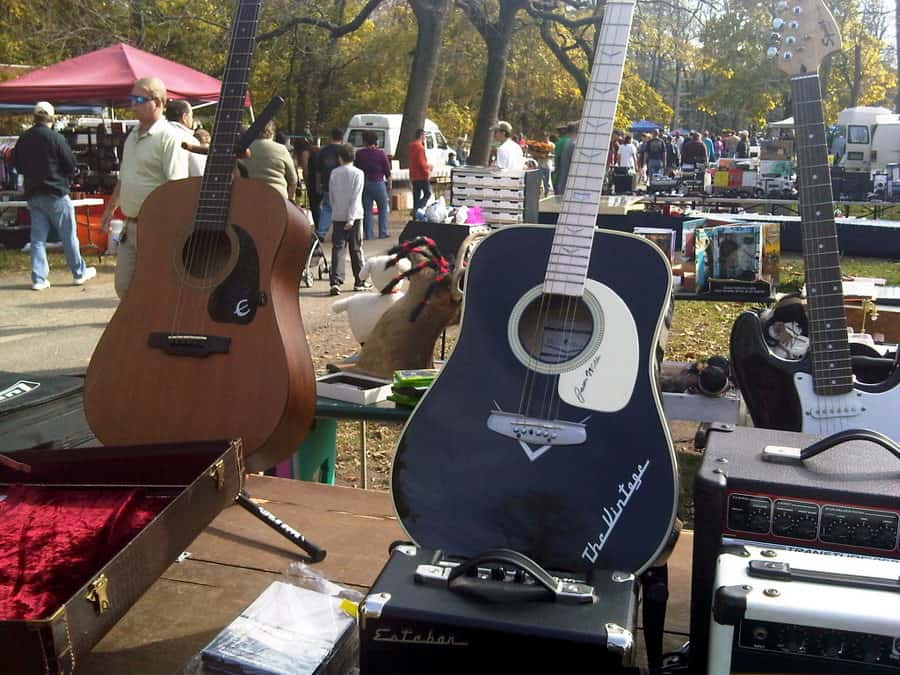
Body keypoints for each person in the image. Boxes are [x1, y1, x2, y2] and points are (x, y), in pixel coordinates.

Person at [101, 77, 189, 299]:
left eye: (139, 99)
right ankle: (138, 327)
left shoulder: (169, 137)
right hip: (130, 225)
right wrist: (110, 208)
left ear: (158, 103)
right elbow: (125, 177)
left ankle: (153, 328)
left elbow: (177, 188)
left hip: (157, 226)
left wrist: (170, 228)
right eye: (131, 98)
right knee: (124, 285)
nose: (133, 105)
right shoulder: (132, 136)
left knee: (158, 287)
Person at [12, 101, 95, 290]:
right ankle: (78, 272)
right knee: (68, 235)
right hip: (56, 192)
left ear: (34, 117)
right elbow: (70, 164)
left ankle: (39, 278)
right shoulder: (56, 138)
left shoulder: (24, 138)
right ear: (51, 117)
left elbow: (17, 165)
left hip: (33, 193)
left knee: (37, 238)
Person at [328, 143, 367, 296]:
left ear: (339, 158)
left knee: (338, 248)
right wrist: (351, 218)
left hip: (338, 214)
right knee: (356, 248)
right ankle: (360, 280)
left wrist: (335, 210)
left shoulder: (334, 173)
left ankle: (336, 280)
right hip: (355, 215)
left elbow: (331, 195)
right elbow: (356, 197)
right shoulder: (358, 173)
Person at [237, 120, 298, 201]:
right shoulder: (281, 149)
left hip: (249, 197)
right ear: (272, 133)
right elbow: (293, 180)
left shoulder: (243, 149)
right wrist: (290, 200)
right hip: (278, 197)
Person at [354, 130, 392, 239]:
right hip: (378, 183)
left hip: (365, 183)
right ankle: (383, 232)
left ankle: (369, 234)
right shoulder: (380, 153)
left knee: (367, 210)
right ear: (376, 141)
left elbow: (357, 168)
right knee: (383, 208)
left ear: (364, 141)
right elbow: (387, 170)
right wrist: (389, 184)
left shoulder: (359, 154)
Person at [315, 128, 345, 241]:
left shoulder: (323, 151)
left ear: (331, 137)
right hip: (342, 185)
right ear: (342, 139)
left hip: (327, 184)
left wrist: (318, 185)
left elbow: (318, 171)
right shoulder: (344, 151)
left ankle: (321, 232)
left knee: (327, 208)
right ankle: (341, 233)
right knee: (342, 209)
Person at [165, 99, 205, 177]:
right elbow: (199, 173)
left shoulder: (156, 134)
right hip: (179, 187)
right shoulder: (190, 140)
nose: (192, 119)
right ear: (184, 117)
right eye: (191, 116)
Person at [408, 128, 432, 216]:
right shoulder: (420, 147)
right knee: (427, 193)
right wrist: (428, 170)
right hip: (421, 175)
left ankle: (415, 213)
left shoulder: (411, 146)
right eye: (424, 135)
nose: (425, 137)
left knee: (416, 195)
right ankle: (417, 210)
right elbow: (422, 162)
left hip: (413, 174)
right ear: (421, 136)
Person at [555, 122, 578, 194]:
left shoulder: (559, 142)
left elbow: (557, 159)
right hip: (570, 182)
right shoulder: (574, 143)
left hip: (561, 178)